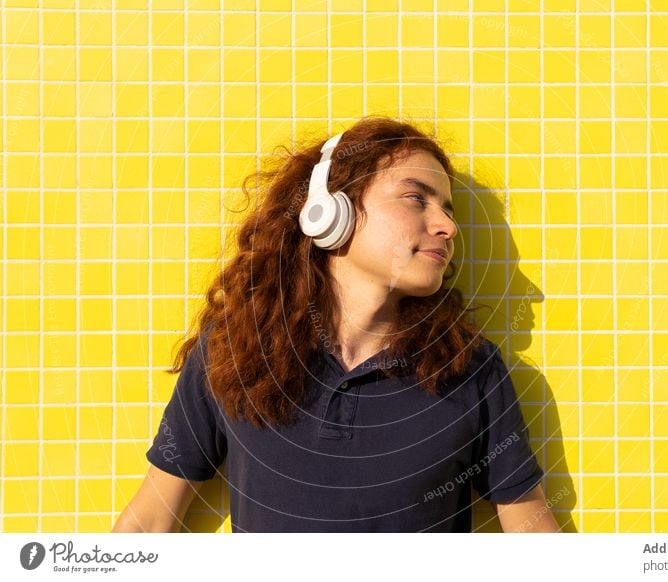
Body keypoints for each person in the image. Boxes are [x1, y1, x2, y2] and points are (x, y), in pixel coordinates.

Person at [112, 116, 560, 533]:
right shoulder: (234, 348)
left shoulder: (470, 366)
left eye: (448, 209)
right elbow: (149, 522)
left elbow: (533, 534)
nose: (446, 226)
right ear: (328, 212)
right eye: (415, 198)